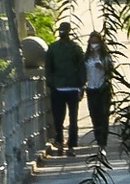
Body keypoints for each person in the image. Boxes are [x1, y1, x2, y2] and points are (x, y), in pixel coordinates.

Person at [46, 20, 87, 153]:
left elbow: (81, 67)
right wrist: (51, 83)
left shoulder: (74, 48)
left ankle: (69, 143)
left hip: (70, 87)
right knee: (60, 117)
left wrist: (81, 84)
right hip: (60, 87)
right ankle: (61, 140)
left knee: (70, 117)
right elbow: (49, 68)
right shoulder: (54, 48)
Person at [84, 31, 114, 151]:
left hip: (103, 88)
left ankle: (103, 142)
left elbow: (111, 73)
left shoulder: (106, 57)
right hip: (91, 89)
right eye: (92, 42)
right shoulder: (86, 58)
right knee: (94, 115)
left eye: (96, 42)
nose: (94, 45)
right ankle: (98, 139)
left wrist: (103, 67)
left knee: (103, 115)